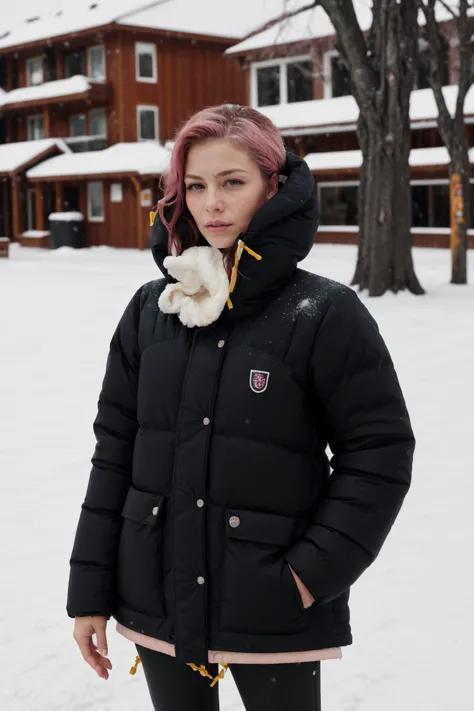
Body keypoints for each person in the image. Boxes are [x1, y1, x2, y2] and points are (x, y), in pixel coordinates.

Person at [67, 104, 415, 711]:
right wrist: (90, 591)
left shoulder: (323, 313)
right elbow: (115, 453)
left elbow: (379, 454)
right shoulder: (152, 311)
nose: (212, 204)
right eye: (196, 186)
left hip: (272, 607)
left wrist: (308, 578)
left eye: (233, 182)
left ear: (273, 187)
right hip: (158, 596)